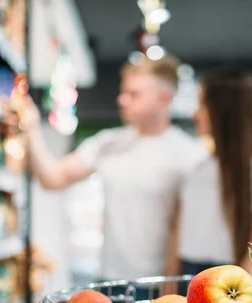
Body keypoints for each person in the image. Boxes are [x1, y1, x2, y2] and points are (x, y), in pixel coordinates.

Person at [16, 56, 206, 281]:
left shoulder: (192, 156)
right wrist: (32, 127)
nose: (122, 100)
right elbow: (52, 178)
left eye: (134, 94)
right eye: (123, 92)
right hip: (110, 281)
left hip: (164, 285)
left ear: (165, 98)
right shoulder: (107, 143)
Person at [177, 69, 252, 276]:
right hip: (190, 274)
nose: (195, 114)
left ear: (224, 110)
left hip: (231, 280)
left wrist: (235, 296)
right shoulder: (198, 168)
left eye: (203, 105)